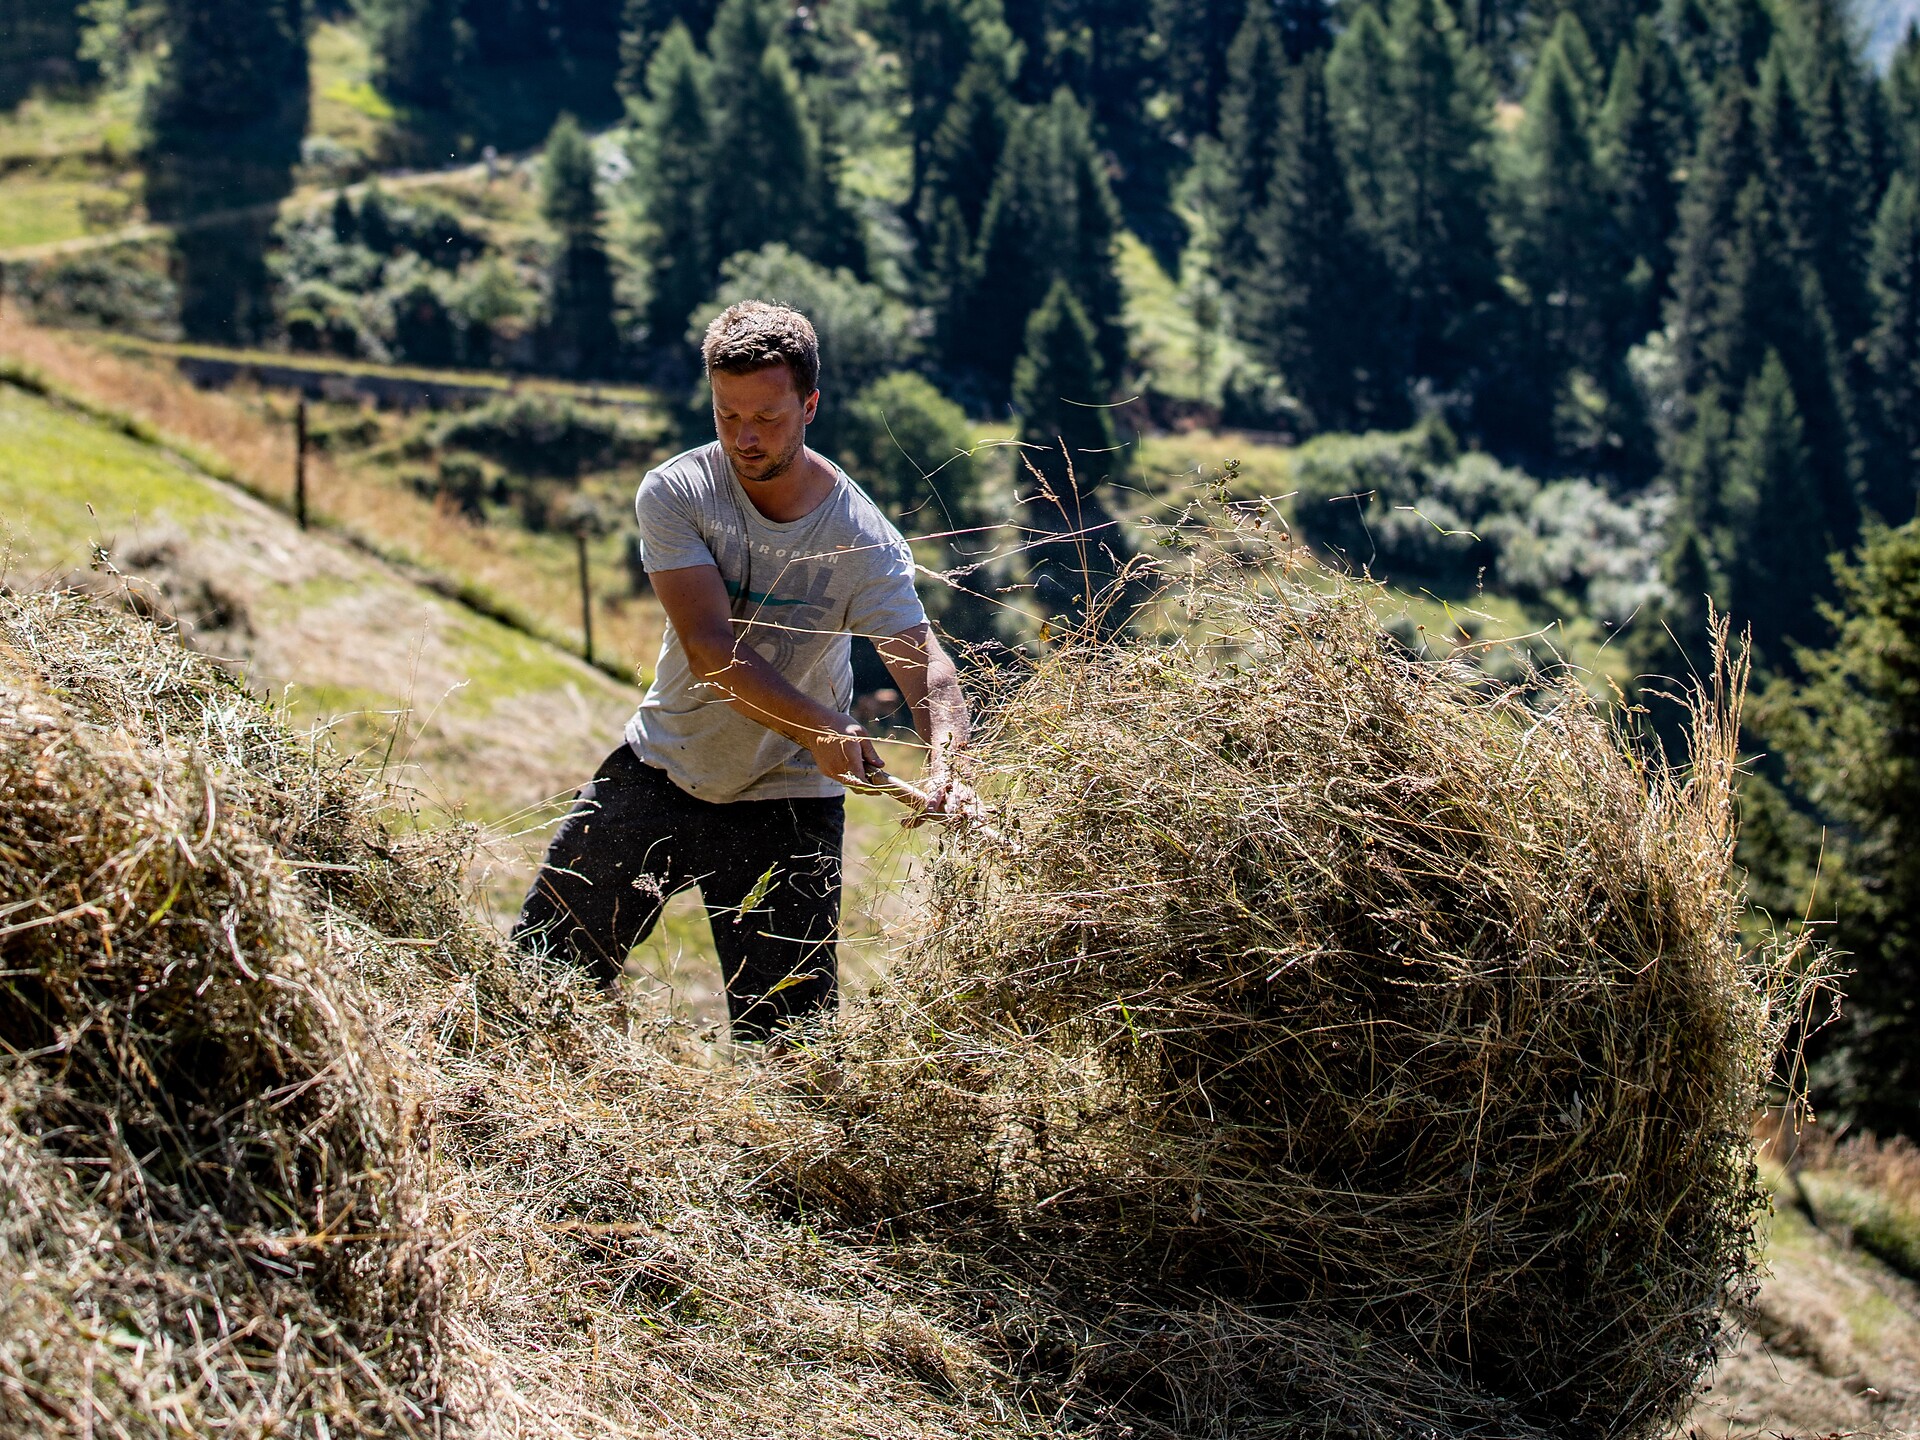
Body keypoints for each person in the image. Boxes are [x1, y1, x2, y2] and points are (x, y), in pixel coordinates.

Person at [512, 301, 974, 1040]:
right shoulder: (677, 492)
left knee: (792, 1055)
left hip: (788, 801)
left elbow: (928, 669)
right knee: (533, 985)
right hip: (662, 769)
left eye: (767, 416)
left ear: (810, 405)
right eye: (728, 416)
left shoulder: (861, 539)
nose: (745, 438)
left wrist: (949, 763)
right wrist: (822, 723)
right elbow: (708, 649)